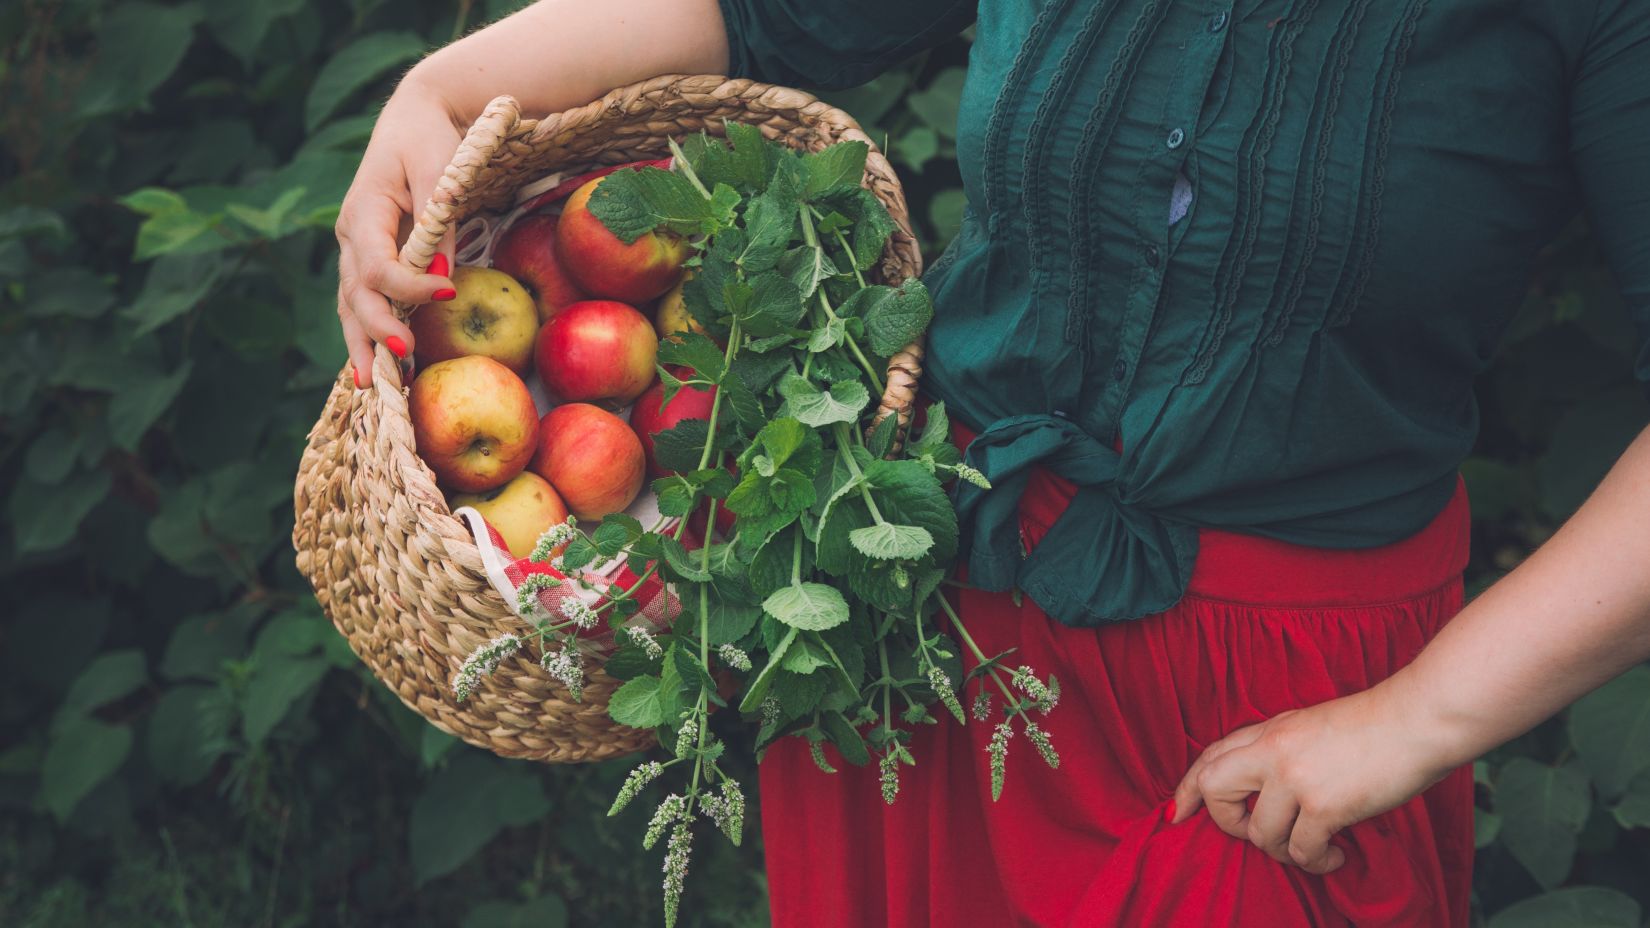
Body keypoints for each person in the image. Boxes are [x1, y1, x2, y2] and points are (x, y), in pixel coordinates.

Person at [333, 1, 1650, 925]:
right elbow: (759, 9)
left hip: (1277, 729)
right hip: (931, 615)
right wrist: (441, 89)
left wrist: (1420, 718)